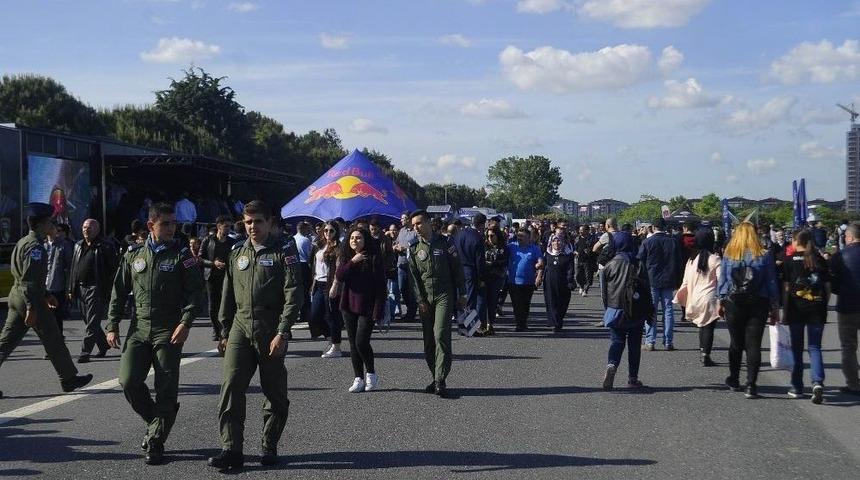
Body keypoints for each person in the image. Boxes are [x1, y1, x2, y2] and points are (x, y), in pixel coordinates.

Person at [106, 202, 204, 464]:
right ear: (151, 225)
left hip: (168, 329)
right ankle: (157, 422)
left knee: (166, 387)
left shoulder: (182, 256)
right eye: (166, 224)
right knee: (128, 381)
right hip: (139, 329)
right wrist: (112, 324)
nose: (172, 228)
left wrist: (186, 322)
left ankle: (156, 441)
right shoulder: (134, 255)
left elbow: (197, 292)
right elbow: (118, 290)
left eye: (173, 223)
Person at [208, 201, 303, 470]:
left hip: (270, 325)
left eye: (258, 221)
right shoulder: (237, 251)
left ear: (270, 222)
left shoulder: (284, 250)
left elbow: (293, 292)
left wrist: (283, 331)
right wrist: (224, 330)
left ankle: (269, 444)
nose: (252, 227)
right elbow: (227, 293)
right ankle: (231, 449)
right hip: (240, 324)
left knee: (274, 392)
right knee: (231, 386)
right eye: (248, 222)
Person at [0, 203, 93, 399]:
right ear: (41, 224)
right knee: (54, 339)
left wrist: (46, 293)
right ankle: (69, 379)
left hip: (18, 297)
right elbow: (30, 281)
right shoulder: (36, 248)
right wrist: (33, 307)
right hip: (29, 300)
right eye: (50, 221)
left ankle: (69, 378)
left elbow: (24, 277)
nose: (52, 224)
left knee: (5, 343)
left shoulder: (23, 242)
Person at [717, 221, 780, 399]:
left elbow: (723, 281)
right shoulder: (764, 255)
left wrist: (720, 301)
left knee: (736, 343)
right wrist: (774, 306)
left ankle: (734, 378)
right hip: (758, 301)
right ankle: (751, 384)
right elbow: (771, 281)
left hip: (734, 302)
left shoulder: (729, 254)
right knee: (754, 345)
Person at [407, 210, 466, 397]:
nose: (415, 227)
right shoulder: (414, 247)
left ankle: (440, 378)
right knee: (428, 343)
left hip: (443, 295)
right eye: (413, 224)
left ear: (428, 223)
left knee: (440, 334)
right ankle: (436, 377)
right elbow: (413, 277)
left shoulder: (446, 243)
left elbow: (457, 269)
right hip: (426, 297)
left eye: (418, 223)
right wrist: (420, 300)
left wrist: (462, 293)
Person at [600, 231, 653, 390]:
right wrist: (649, 311)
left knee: (617, 340)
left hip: (615, 309)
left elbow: (604, 293)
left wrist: (607, 310)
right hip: (635, 309)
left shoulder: (609, 266)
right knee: (635, 344)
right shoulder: (638, 263)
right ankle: (632, 378)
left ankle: (612, 365)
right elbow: (646, 288)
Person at [782, 229, 830, 404]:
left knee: (797, 347)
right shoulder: (819, 260)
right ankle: (817, 382)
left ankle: (797, 386)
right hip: (817, 307)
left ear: (796, 241)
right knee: (815, 347)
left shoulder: (789, 260)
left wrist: (784, 311)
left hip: (796, 308)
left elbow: (786, 288)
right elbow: (827, 288)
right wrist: (823, 303)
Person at [336, 227, 386, 392]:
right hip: (348, 305)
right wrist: (353, 261)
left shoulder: (374, 258)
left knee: (361, 342)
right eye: (351, 238)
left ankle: (371, 374)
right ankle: (358, 378)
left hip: (367, 306)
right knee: (352, 343)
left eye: (358, 238)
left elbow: (380, 286)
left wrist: (379, 310)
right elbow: (339, 276)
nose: (354, 241)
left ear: (365, 240)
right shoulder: (346, 257)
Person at [68, 218, 118, 363]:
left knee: (92, 322)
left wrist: (109, 290)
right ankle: (103, 345)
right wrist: (71, 288)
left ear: (97, 229)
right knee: (88, 320)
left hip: (96, 288)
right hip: (81, 288)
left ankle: (85, 352)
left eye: (89, 227)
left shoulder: (105, 246)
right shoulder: (78, 245)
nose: (86, 230)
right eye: (84, 227)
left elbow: (114, 270)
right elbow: (73, 269)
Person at [673, 229, 722, 367]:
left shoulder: (691, 260)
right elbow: (722, 279)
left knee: (701, 325)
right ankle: (706, 354)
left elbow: (685, 281)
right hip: (710, 298)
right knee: (709, 327)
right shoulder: (715, 259)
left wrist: (680, 298)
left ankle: (702, 351)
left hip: (695, 297)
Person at [638, 217, 682, 351]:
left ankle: (650, 341)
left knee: (651, 310)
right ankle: (668, 341)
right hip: (669, 280)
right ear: (665, 227)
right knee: (668, 311)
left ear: (653, 227)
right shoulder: (673, 242)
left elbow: (640, 262)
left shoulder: (647, 242)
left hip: (651, 280)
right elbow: (679, 262)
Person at [830, 222, 860, 396]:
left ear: (848, 237)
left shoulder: (840, 256)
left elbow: (833, 286)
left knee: (848, 346)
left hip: (847, 305)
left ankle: (853, 384)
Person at [199, 216, 237, 341]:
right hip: (211, 276)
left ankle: (226, 329)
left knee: (227, 303)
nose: (228, 229)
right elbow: (200, 258)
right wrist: (213, 263)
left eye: (229, 226)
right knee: (213, 305)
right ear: (219, 226)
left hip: (227, 276)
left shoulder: (232, 242)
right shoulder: (208, 240)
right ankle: (216, 329)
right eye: (226, 226)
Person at [311, 221, 344, 358]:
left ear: (336, 232)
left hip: (330, 284)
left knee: (332, 316)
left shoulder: (339, 248)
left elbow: (338, 268)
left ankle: (336, 347)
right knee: (314, 315)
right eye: (325, 230)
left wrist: (335, 285)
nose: (328, 233)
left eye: (331, 231)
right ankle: (330, 338)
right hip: (318, 283)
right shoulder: (319, 245)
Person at [507, 228, 544, 332]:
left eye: (522, 236)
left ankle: (523, 322)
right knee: (516, 303)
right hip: (513, 281)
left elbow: (540, 262)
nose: (519, 238)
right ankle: (519, 324)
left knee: (525, 303)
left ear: (528, 238)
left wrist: (539, 274)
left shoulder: (535, 248)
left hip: (528, 282)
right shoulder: (511, 247)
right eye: (518, 236)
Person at [538, 234, 575, 332]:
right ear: (551, 242)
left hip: (564, 283)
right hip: (549, 282)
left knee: (562, 303)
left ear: (563, 242)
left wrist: (570, 280)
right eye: (554, 241)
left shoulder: (568, 254)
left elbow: (570, 269)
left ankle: (559, 319)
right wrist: (539, 276)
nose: (557, 243)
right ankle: (555, 322)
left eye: (559, 241)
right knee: (551, 301)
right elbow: (542, 267)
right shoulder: (547, 254)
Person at [477, 226, 508, 336]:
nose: (489, 238)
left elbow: (504, 262)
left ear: (497, 236)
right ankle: (482, 324)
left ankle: (490, 323)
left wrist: (493, 263)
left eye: (492, 236)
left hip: (496, 278)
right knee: (481, 302)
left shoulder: (502, 248)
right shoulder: (483, 246)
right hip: (484, 277)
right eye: (488, 236)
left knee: (492, 302)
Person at [45, 222, 73, 337]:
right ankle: (52, 345)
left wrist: (69, 288)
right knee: (46, 319)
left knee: (56, 318)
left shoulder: (64, 245)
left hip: (58, 287)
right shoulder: (43, 245)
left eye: (53, 228)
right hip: (43, 287)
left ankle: (58, 343)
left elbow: (70, 267)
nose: (51, 230)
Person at [455, 213, 486, 314]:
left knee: (461, 300)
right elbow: (479, 260)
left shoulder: (459, 234)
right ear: (482, 224)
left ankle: (462, 326)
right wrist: (481, 277)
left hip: (458, 270)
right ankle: (470, 328)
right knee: (470, 302)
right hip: (471, 272)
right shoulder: (477, 238)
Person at [395, 212, 418, 322]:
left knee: (412, 290)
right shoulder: (402, 231)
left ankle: (411, 313)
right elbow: (396, 242)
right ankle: (410, 308)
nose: (401, 220)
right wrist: (395, 246)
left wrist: (404, 249)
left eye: (403, 218)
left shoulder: (415, 232)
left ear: (409, 219)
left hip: (412, 265)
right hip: (401, 264)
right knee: (402, 288)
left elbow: (417, 247)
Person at [573, 225, 594, 296]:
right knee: (577, 275)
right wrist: (576, 252)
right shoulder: (577, 238)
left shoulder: (591, 238)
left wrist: (590, 250)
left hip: (588, 260)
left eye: (582, 230)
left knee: (588, 276)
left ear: (587, 231)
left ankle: (586, 290)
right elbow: (574, 248)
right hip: (578, 259)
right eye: (580, 230)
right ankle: (581, 287)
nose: (580, 231)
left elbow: (595, 248)